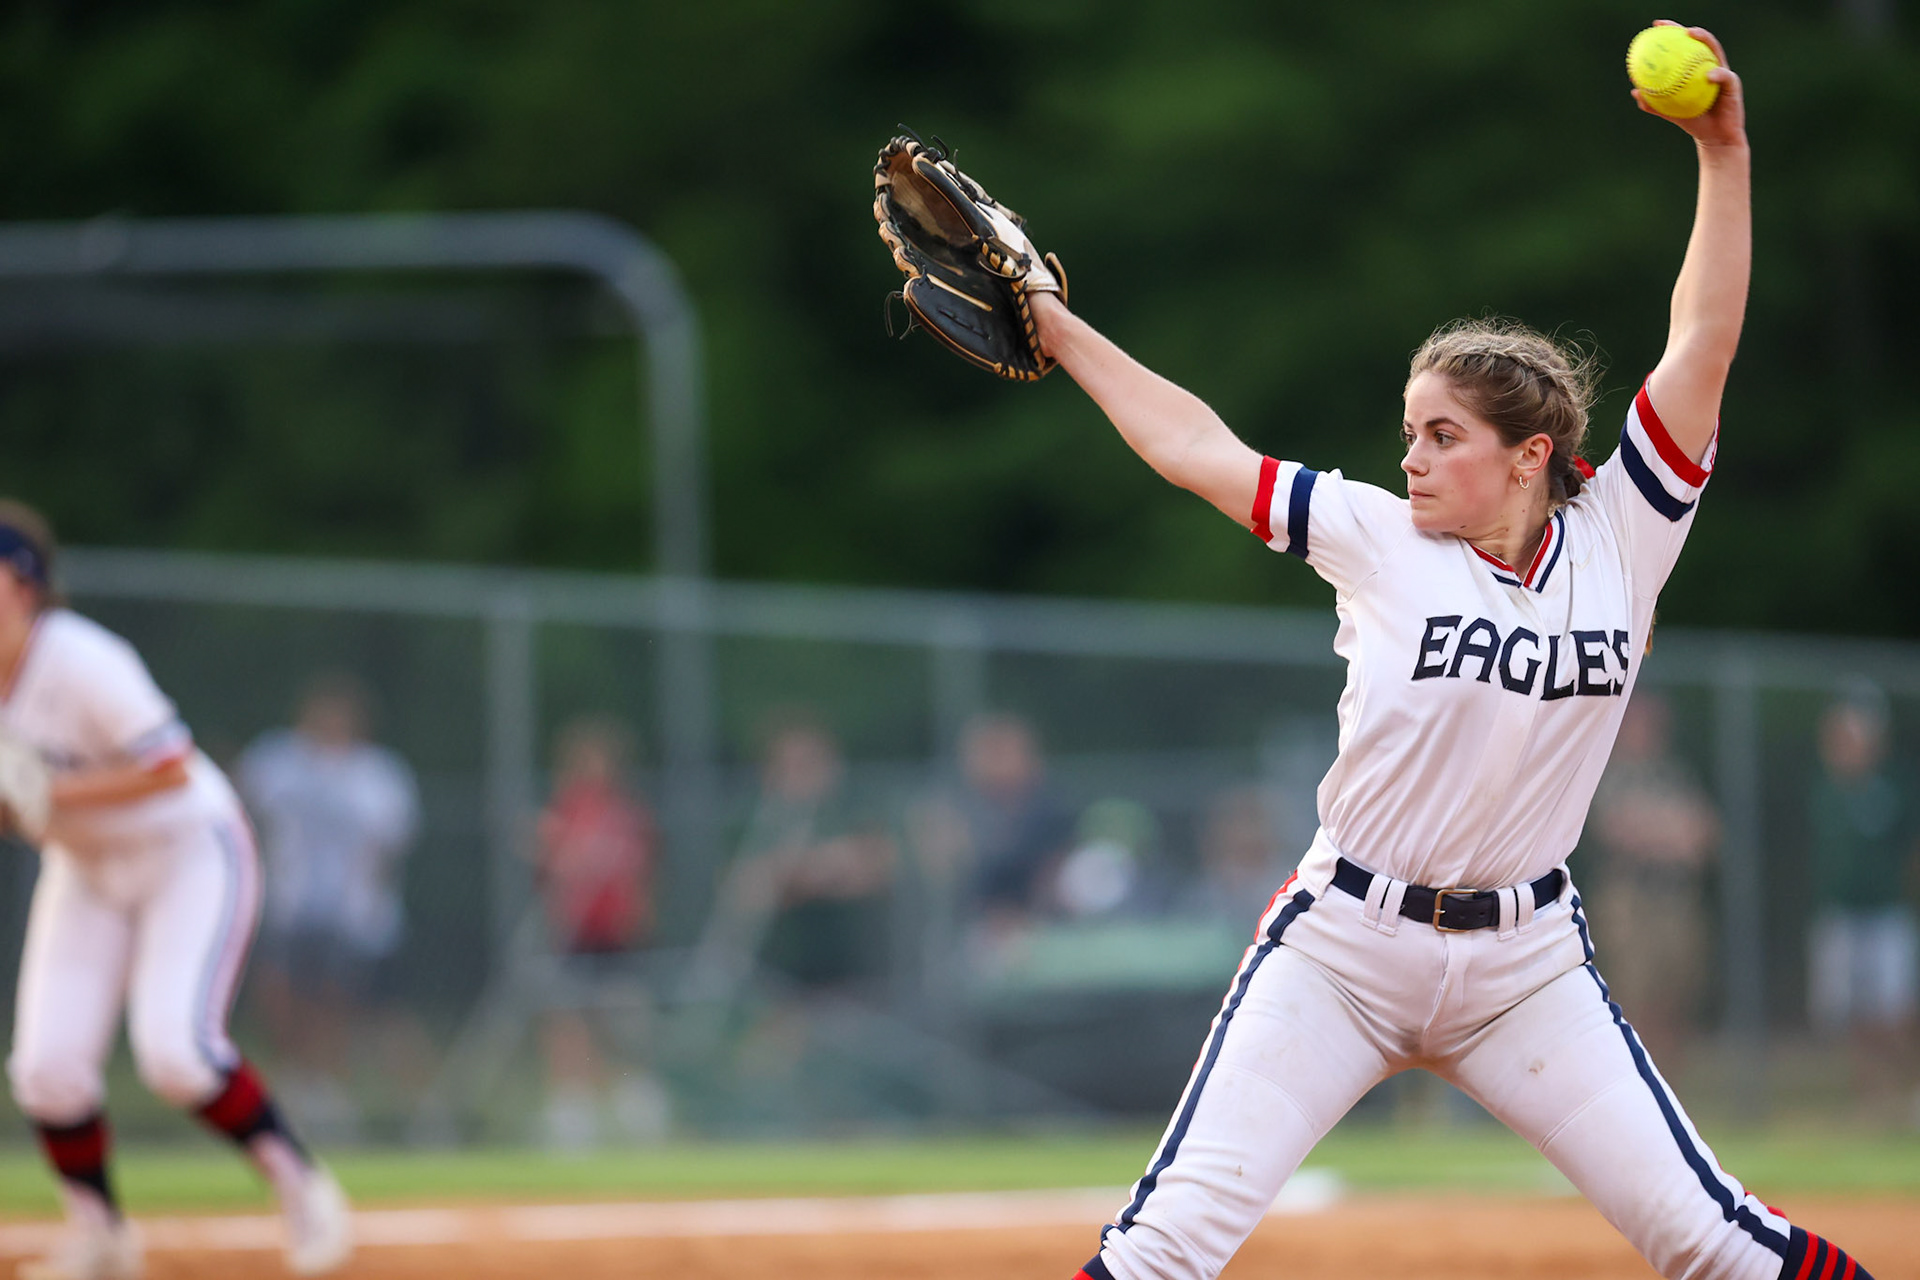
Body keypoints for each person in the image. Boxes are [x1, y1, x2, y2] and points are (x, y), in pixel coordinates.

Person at [1023, 27, 1875, 1280]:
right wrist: (1056, 326)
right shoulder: (1377, 534)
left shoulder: (1623, 536)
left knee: (1715, 1239)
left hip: (1526, 963)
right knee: (1166, 1245)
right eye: (1408, 431)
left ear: (1529, 454)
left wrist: (1724, 155)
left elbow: (1702, 340)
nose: (1410, 456)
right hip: (1343, 946)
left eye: (1440, 434)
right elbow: (1194, 446)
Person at [0, 500, 351, 1279]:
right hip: (87, 869)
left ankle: (302, 1186)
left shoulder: (79, 659)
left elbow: (167, 765)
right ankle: (100, 1238)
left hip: (187, 849)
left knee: (177, 1055)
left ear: (22, 586)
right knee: (46, 1070)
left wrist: (46, 795)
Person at [236, 671, 420, 1137]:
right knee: (279, 994)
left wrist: (371, 913)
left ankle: (338, 1092)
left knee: (341, 1005)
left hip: (352, 915)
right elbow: (239, 812)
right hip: (290, 905)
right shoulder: (277, 760)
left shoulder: (377, 775)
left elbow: (390, 850)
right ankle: (300, 1082)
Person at [529, 715, 668, 1148]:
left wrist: (640, 914)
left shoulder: (626, 814)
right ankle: (573, 1110)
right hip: (575, 931)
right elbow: (550, 865)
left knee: (624, 1019)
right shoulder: (563, 811)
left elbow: (642, 874)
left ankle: (634, 1102)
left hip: (616, 933)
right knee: (569, 1018)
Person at [1586, 692, 1720, 1067]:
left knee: (1674, 999)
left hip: (1677, 903)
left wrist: (1656, 829)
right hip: (1631, 906)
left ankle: (1667, 1082)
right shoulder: (1610, 773)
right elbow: (1618, 829)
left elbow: (1705, 834)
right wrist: (1672, 831)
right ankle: (1634, 1079)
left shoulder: (1675, 774)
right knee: (1633, 1000)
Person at [1806, 688, 1917, 1113]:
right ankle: (1870, 1097)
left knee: (1893, 1011)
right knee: (1852, 1014)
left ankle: (1905, 1089)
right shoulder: (1827, 789)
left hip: (1886, 913)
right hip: (1841, 914)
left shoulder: (1895, 787)